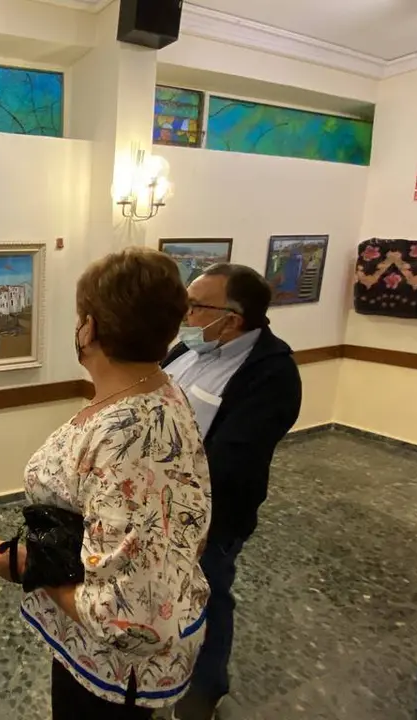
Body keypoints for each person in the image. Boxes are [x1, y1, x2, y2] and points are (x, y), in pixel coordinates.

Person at [0, 247, 212, 719]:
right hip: (101, 632)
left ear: (89, 328)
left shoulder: (127, 433)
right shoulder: (159, 389)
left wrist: (28, 568)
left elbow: (129, 618)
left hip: (114, 675)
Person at [164, 263, 302, 720]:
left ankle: (203, 695)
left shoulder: (273, 374)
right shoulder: (187, 347)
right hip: (158, 507)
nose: (185, 314)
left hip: (211, 518)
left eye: (195, 306)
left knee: (208, 598)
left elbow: (233, 462)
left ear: (232, 319)